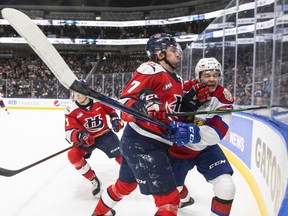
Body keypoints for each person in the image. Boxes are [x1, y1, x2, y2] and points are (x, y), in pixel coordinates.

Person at [91, 33, 185, 216]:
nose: (178, 54)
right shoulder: (151, 69)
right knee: (169, 201)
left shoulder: (178, 80)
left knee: (125, 185)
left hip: (147, 142)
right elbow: (125, 102)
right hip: (143, 142)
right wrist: (145, 106)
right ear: (160, 54)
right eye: (173, 50)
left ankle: (98, 214)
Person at [164, 57, 236, 216]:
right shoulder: (182, 87)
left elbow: (216, 134)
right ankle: (184, 197)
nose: (212, 79)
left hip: (205, 148)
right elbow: (166, 112)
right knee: (169, 195)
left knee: (226, 187)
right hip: (178, 151)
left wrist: (191, 132)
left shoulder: (223, 96)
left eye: (216, 75)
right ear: (198, 76)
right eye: (207, 75)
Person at [65, 89, 124, 197]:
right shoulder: (71, 109)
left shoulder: (98, 101)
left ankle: (134, 175)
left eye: (80, 92)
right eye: (75, 93)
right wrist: (81, 135)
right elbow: (69, 132)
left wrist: (115, 120)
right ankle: (93, 180)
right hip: (87, 139)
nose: (76, 95)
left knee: (122, 155)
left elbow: (111, 111)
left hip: (105, 135)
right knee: (73, 155)